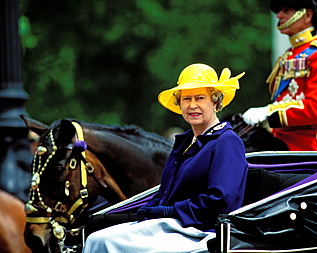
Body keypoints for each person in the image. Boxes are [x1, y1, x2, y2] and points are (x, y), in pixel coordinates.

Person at [82, 63, 248, 253]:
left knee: (104, 242)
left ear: (216, 103)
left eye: (200, 98)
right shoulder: (185, 142)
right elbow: (166, 193)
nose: (192, 105)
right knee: (96, 237)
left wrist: (169, 211)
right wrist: (150, 209)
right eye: (186, 99)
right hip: (171, 225)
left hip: (201, 231)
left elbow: (220, 201)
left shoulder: (227, 142)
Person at [242, 0, 317, 151]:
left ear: (307, 15)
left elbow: (316, 109)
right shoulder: (288, 56)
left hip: (308, 147)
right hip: (279, 142)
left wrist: (269, 112)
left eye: (286, 10)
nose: (279, 15)